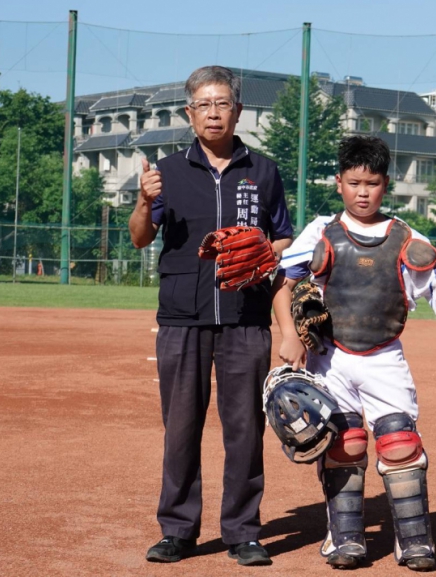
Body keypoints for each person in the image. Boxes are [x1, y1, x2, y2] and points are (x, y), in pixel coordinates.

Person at [272, 136, 436, 571]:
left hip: (384, 356)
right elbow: (285, 288)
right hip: (330, 357)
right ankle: (345, 537)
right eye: (354, 182)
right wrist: (288, 335)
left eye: (373, 183)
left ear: (386, 185)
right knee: (345, 442)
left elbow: (428, 290)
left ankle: (414, 539)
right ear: (338, 182)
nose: (363, 191)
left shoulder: (406, 237)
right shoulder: (320, 232)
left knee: (399, 442)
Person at [128, 65, 293, 567]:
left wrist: (267, 247)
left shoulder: (262, 170)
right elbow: (140, 236)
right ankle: (178, 530)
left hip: (246, 315)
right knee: (180, 428)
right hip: (182, 317)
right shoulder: (167, 172)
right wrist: (142, 201)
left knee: (245, 427)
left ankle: (242, 530)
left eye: (223, 103)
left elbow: (285, 236)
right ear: (189, 113)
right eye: (204, 104)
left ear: (239, 111)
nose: (214, 112)